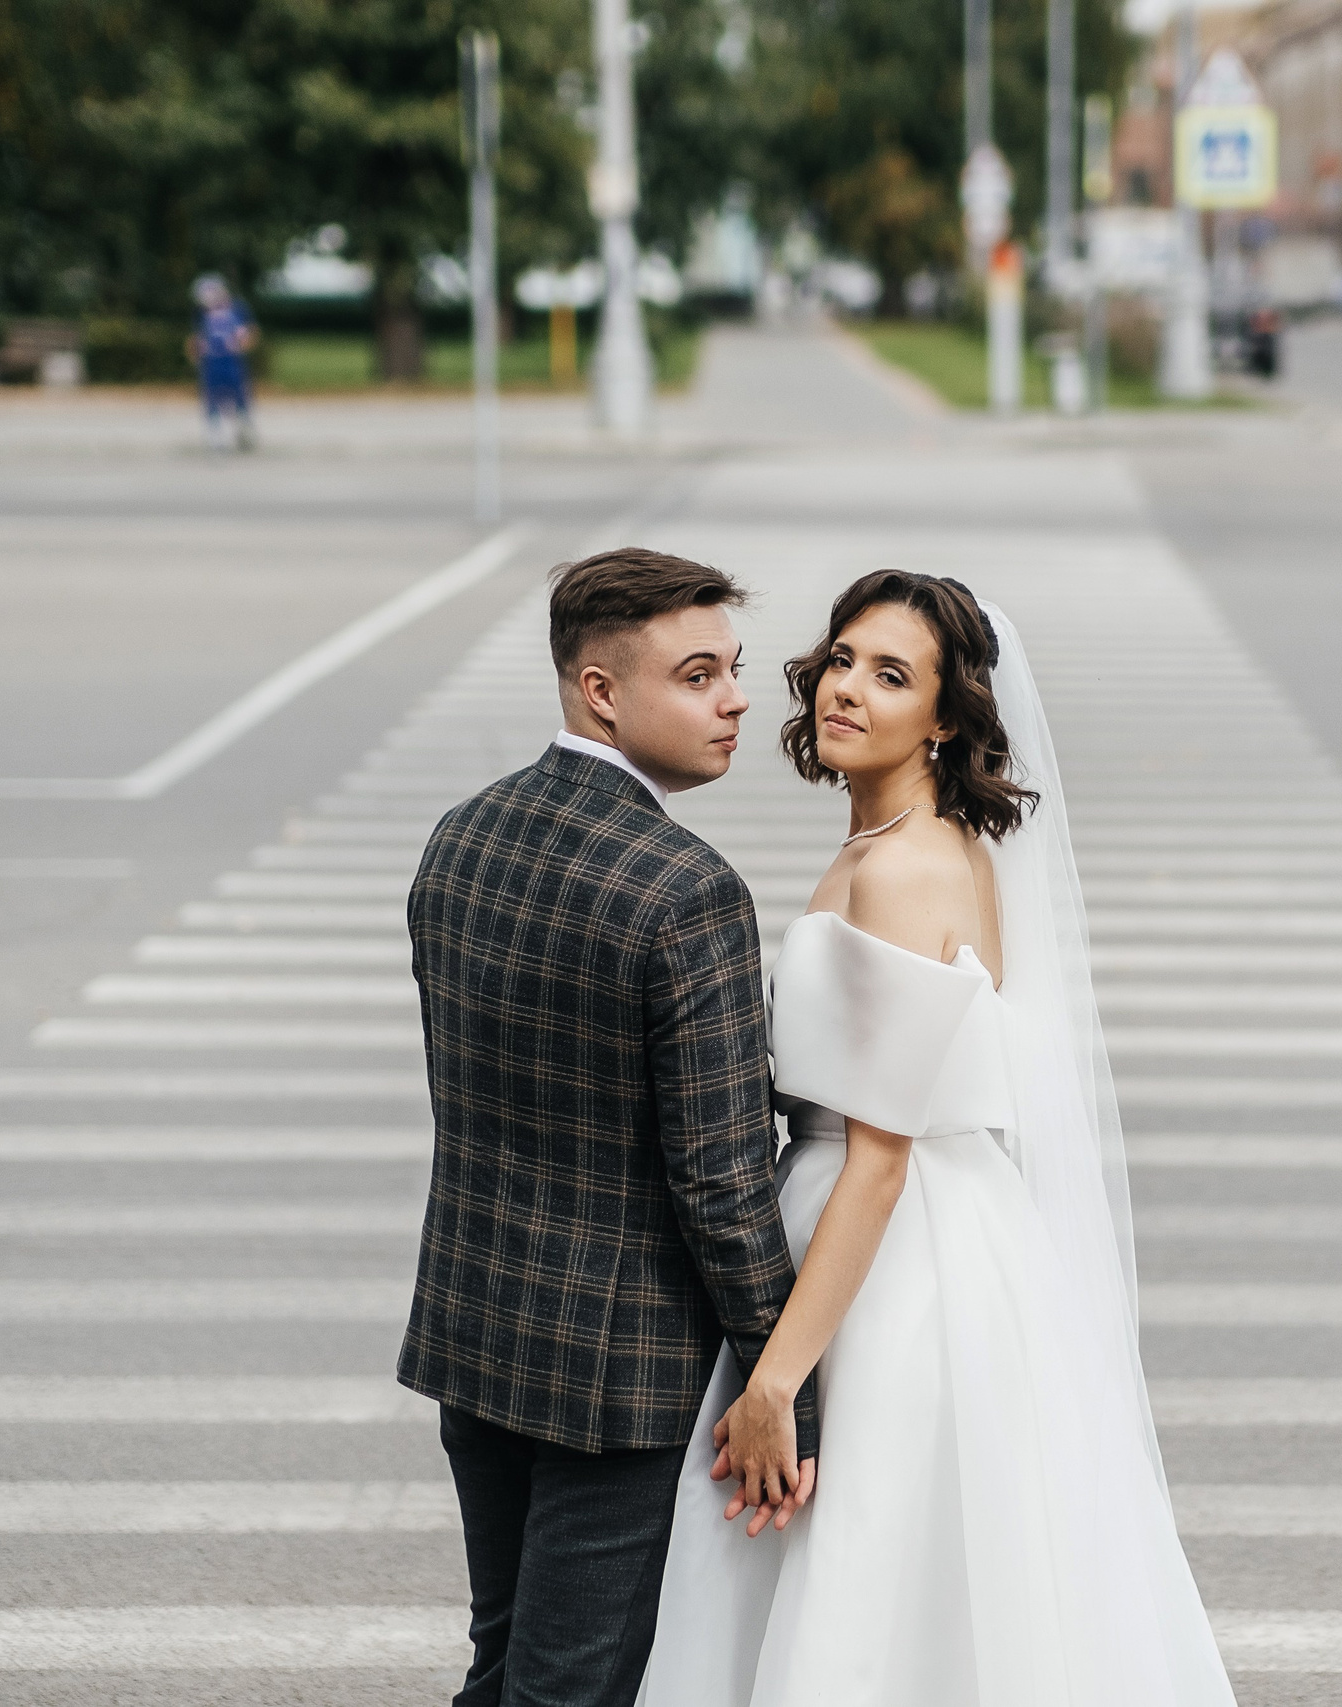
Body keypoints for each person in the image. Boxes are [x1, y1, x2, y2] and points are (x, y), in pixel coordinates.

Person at [637, 573, 1236, 1706]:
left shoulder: (908, 868)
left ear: (947, 718)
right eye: (844, 659)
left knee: (870, 1575)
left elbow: (880, 1157)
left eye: (892, 674)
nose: (846, 688)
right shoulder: (898, 845)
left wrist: (775, 1381)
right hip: (908, 1235)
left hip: (894, 1265)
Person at [399, 547, 819, 1707]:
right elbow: (722, 1185)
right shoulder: (687, 890)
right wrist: (788, 1389)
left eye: (732, 670)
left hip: (472, 1335)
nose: (736, 698)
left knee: (505, 1660)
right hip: (613, 1378)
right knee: (570, 1689)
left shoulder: (462, 834)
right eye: (697, 676)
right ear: (600, 690)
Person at [187, 273, 258, 451]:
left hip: (231, 360)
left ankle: (244, 431)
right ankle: (215, 435)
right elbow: (195, 338)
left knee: (240, 397)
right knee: (212, 398)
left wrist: (241, 345)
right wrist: (196, 354)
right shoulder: (201, 313)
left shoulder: (236, 308)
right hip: (212, 362)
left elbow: (249, 333)